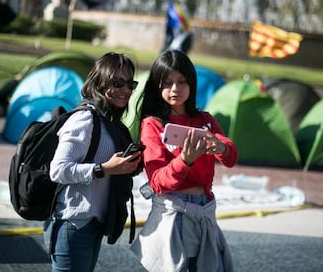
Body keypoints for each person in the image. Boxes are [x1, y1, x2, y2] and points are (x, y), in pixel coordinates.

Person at [130, 50, 238, 272]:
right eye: (167, 83)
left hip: (206, 210)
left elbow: (231, 158)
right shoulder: (152, 125)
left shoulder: (205, 120)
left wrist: (223, 147)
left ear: (192, 84)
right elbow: (158, 181)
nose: (175, 89)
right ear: (156, 86)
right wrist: (184, 160)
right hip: (174, 213)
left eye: (182, 82)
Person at [45, 52, 143, 272]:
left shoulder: (109, 121)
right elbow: (58, 170)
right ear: (100, 83)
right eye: (117, 83)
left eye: (130, 84)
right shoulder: (85, 119)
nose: (126, 90)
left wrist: (128, 165)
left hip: (91, 224)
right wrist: (104, 169)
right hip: (72, 223)